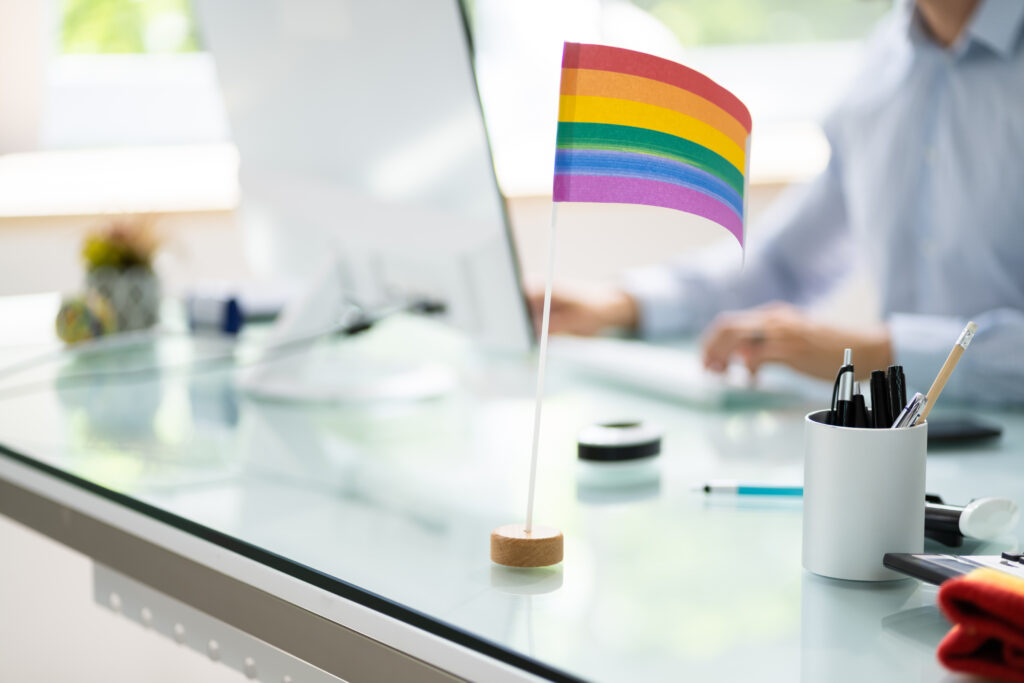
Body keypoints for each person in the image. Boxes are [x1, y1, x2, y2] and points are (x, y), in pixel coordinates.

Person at [530, 0, 1024, 403]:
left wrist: (878, 352)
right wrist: (623, 305)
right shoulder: (883, 64)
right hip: (903, 445)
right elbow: (785, 264)